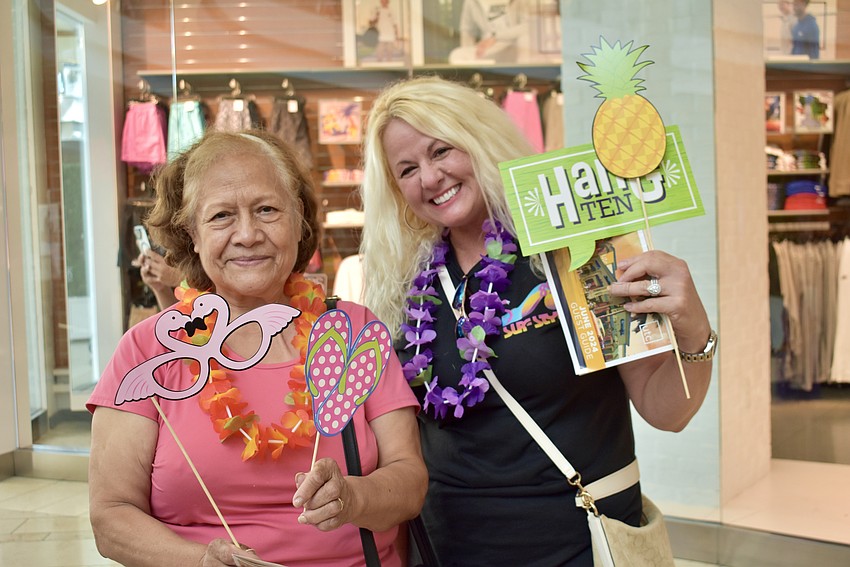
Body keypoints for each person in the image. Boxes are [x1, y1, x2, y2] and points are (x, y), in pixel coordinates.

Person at [359, 77, 716, 566]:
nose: (429, 177)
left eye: (441, 150)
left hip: (579, 540)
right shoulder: (402, 283)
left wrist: (694, 328)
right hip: (450, 545)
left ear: (479, 140)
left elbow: (667, 410)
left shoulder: (576, 248)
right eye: (407, 169)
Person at [87, 130, 427, 567]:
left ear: (299, 217)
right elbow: (110, 516)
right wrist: (199, 561)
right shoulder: (149, 350)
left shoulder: (352, 330)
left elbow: (410, 480)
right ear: (190, 233)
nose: (247, 234)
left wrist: (353, 497)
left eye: (267, 210)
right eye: (221, 216)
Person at [449, 0, 525, 64]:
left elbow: (528, 26)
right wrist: (472, 56)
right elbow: (467, 30)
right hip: (487, 50)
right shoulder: (471, 2)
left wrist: (496, 37)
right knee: (457, 56)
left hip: (516, 46)